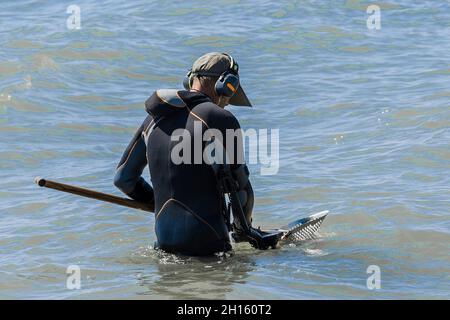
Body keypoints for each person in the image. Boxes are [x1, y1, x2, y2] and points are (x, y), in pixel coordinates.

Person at [114, 52, 255, 256]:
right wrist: (246, 233)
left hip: (165, 249)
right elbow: (241, 189)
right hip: (210, 249)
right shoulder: (220, 118)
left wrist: (159, 203)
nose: (228, 101)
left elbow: (123, 179)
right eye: (232, 93)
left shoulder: (152, 120)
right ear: (226, 84)